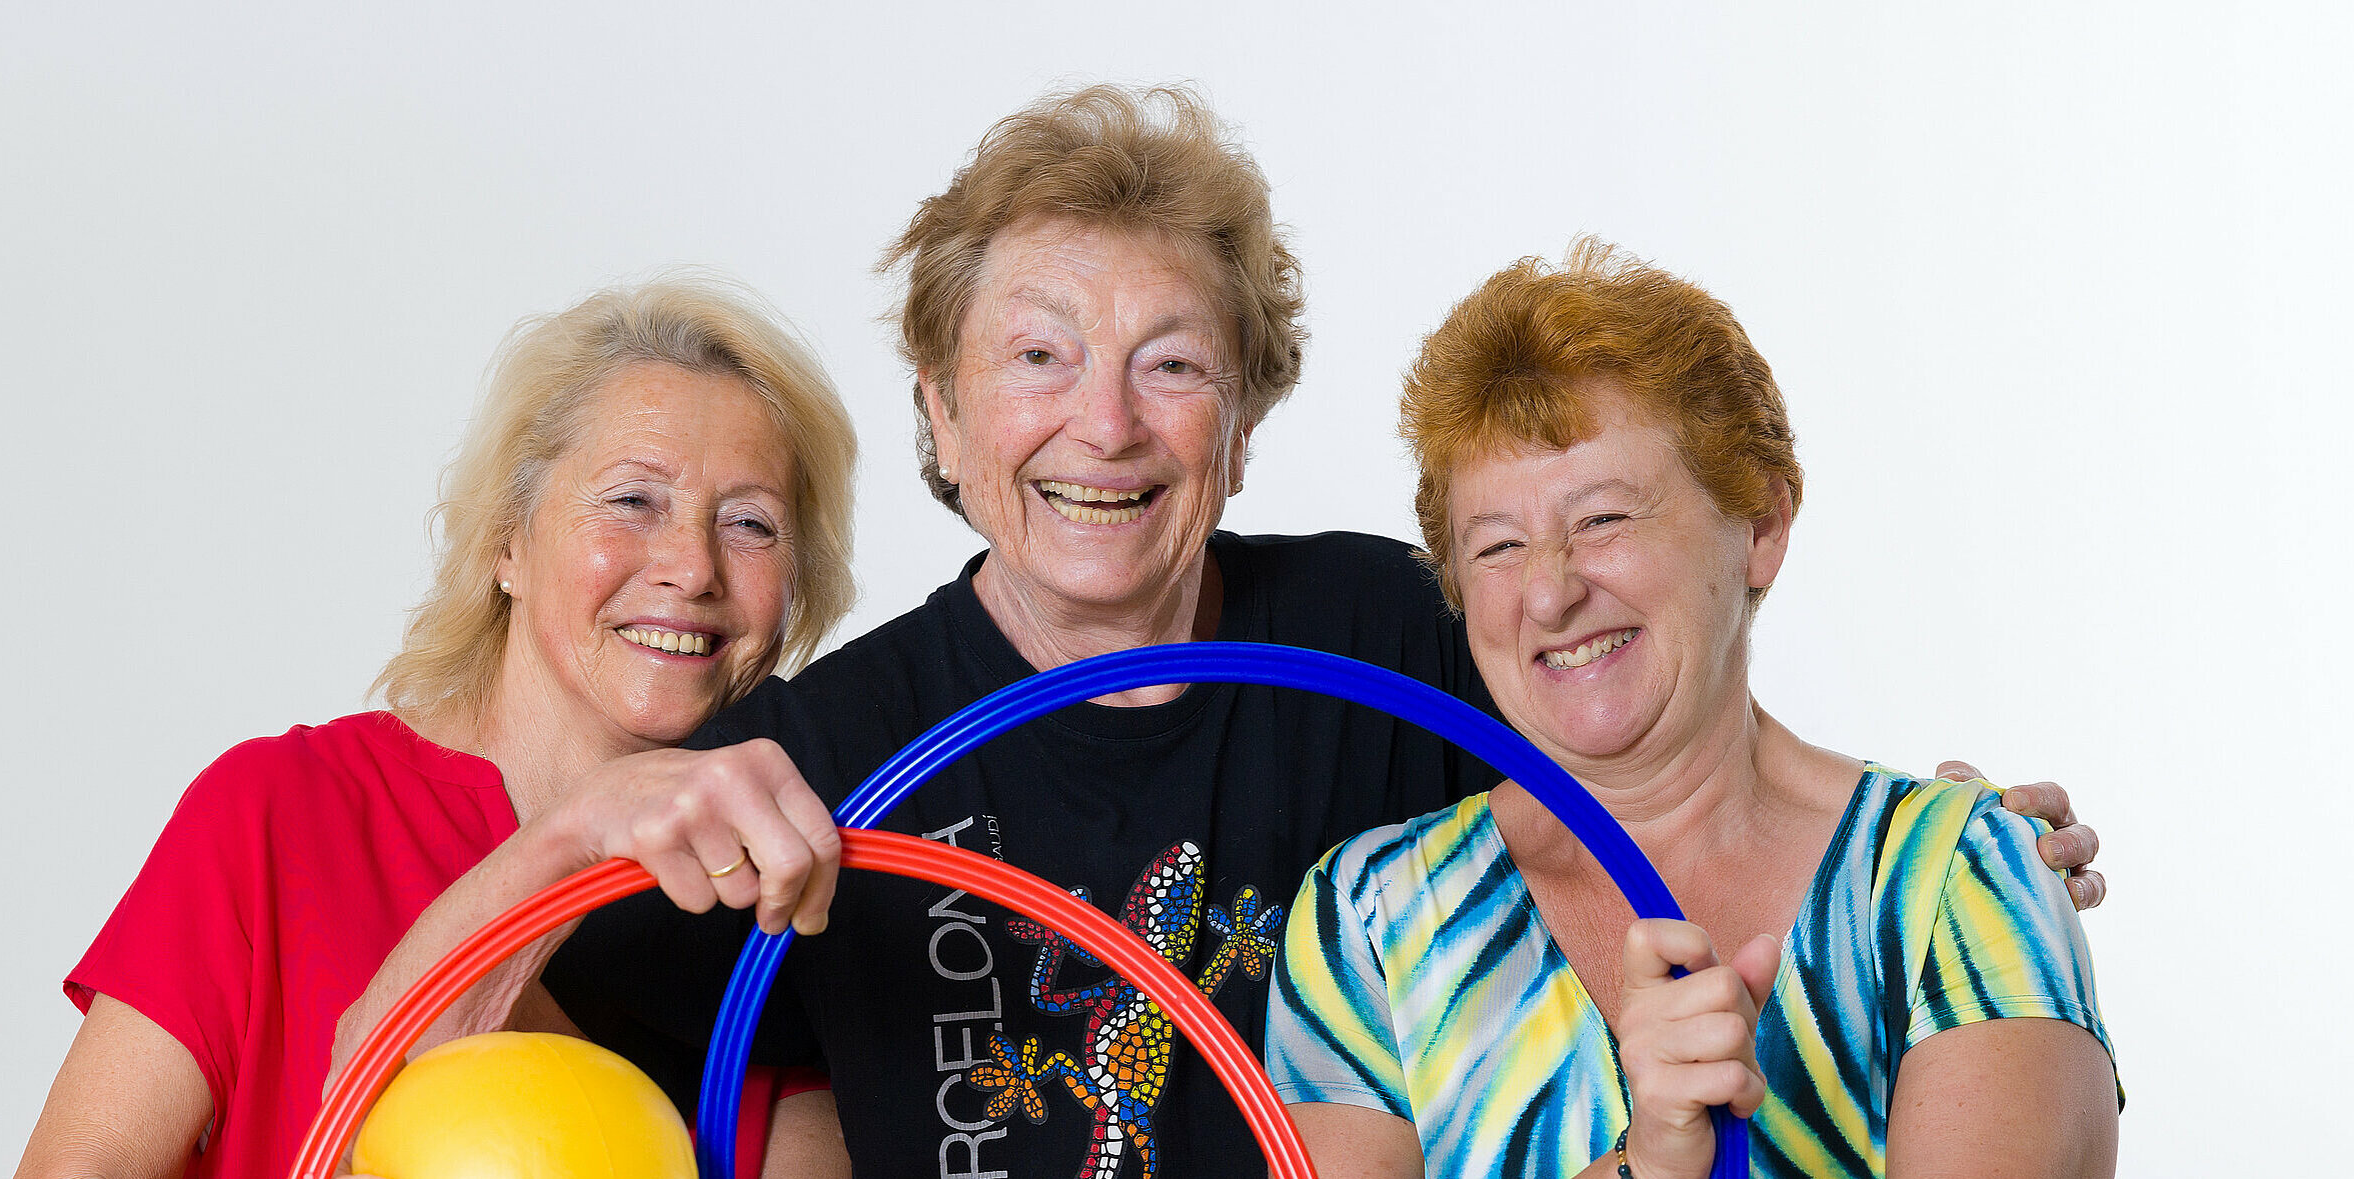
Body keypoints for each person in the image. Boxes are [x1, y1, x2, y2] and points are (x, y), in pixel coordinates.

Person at [341, 85, 2107, 1179]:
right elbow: (400, 1076)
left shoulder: (1388, 626)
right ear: (943, 423)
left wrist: (1929, 850)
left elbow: (1649, 703)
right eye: (1036, 357)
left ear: (1242, 423)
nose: (1102, 425)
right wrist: (586, 826)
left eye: (1171, 363)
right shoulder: (823, 755)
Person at [1264, 242, 2121, 1178]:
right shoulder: (1370, 917)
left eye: (1602, 519)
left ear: (1759, 526)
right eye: (1497, 545)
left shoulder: (1963, 876)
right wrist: (1649, 1166)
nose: (1547, 595)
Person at [12, 276, 860, 1179]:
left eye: (749, 523)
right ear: (506, 541)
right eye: (632, 500)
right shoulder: (282, 809)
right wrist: (569, 838)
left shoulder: (784, 905)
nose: (692, 567)